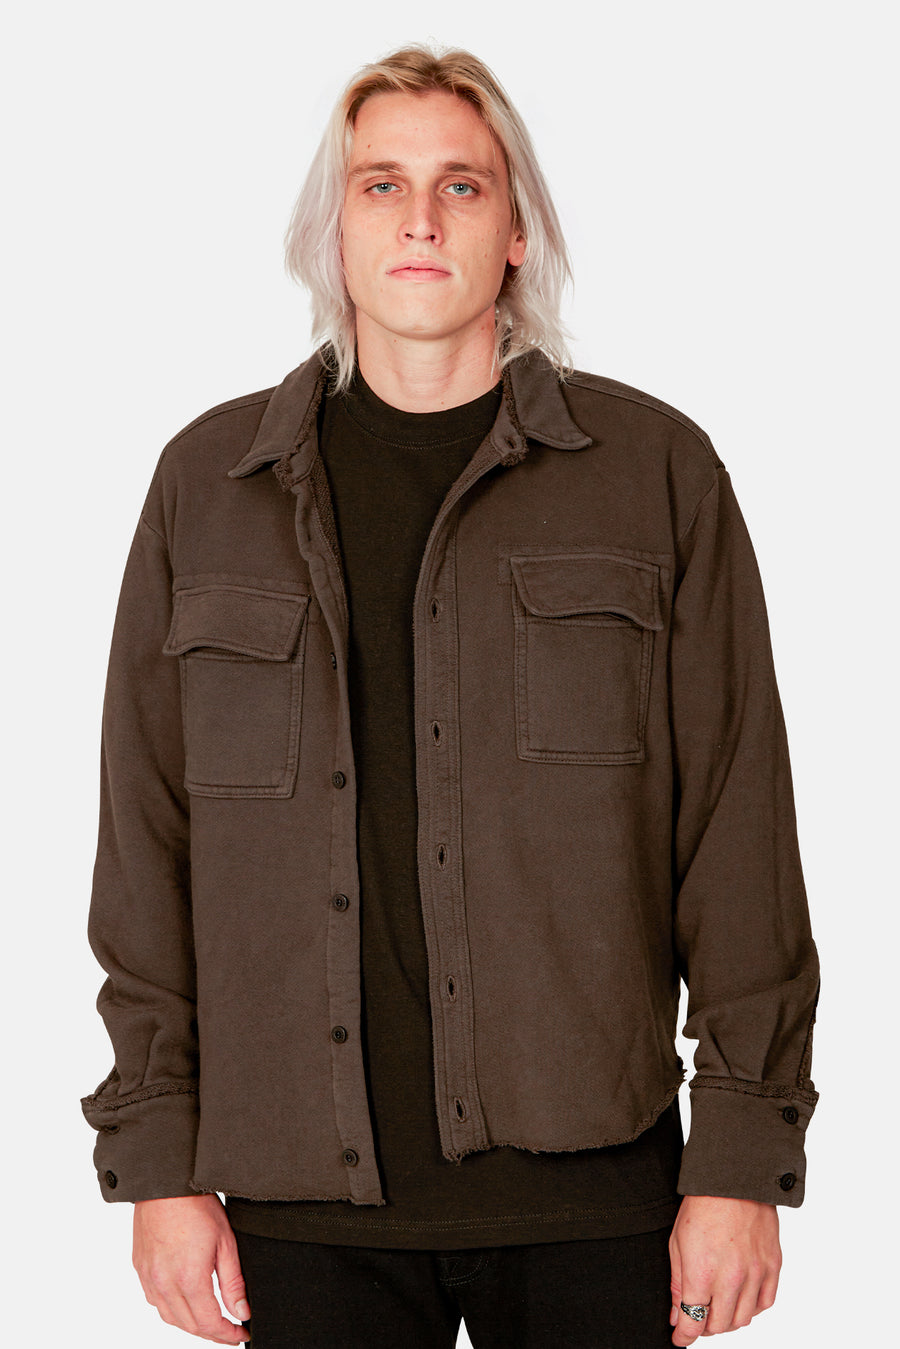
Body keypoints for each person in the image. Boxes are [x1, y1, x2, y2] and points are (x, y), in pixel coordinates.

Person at [82, 44, 819, 1349]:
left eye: (461, 186)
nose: (419, 218)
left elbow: (737, 835)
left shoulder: (655, 474)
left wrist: (740, 1160)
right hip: (302, 1210)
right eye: (381, 185)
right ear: (335, 232)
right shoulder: (207, 487)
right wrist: (155, 1160)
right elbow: (147, 846)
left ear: (517, 231)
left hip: (598, 1198)